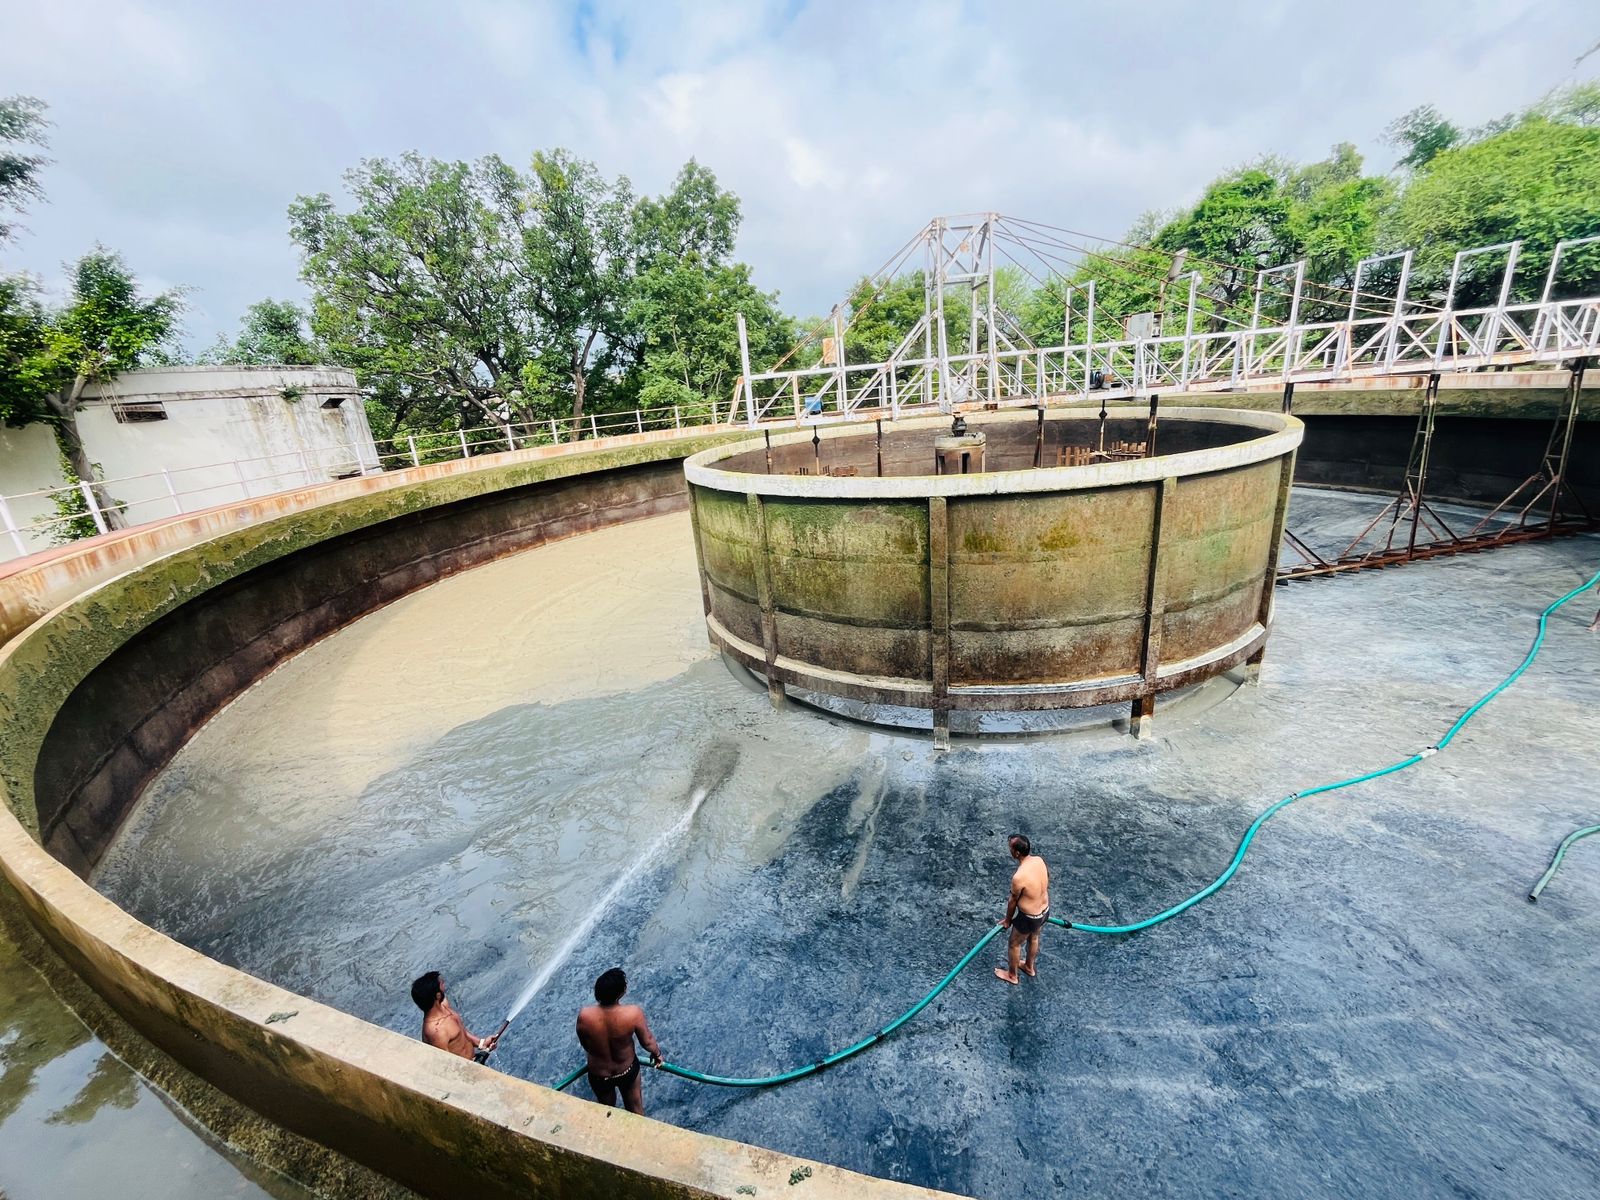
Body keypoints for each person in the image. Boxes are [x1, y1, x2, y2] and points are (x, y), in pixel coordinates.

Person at [576, 967, 664, 1115]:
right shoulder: (632, 1014)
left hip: (599, 1075)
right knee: (635, 1108)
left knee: (607, 1111)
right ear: (621, 992)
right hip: (627, 1070)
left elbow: (584, 1042)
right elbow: (647, 1041)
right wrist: (657, 1054)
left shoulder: (585, 1016)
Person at [995, 834, 1050, 985]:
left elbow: (1012, 901)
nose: (1009, 851)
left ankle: (1012, 975)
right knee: (1034, 937)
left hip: (1029, 918)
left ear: (1017, 853)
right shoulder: (1039, 860)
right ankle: (1029, 967)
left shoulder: (1019, 877)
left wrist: (1007, 921)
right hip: (1044, 911)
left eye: (1010, 848)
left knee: (1014, 943)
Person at [410, 971, 500, 1060]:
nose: (444, 986)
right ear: (437, 995)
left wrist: (481, 1043)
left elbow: (459, 1032)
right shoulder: (437, 1032)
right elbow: (446, 1065)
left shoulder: (443, 1005)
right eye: (441, 984)